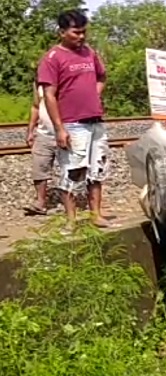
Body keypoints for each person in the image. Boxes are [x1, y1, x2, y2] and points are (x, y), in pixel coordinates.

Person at [37, 9, 111, 230]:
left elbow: (102, 76)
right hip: (71, 123)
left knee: (97, 170)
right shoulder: (52, 58)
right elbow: (49, 95)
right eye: (76, 32)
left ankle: (95, 214)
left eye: (84, 32)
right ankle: (71, 220)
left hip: (95, 121)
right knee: (72, 172)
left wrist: (93, 94)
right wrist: (59, 129)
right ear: (62, 32)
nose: (81, 37)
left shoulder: (89, 52)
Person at [23, 83, 57, 216]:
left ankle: (72, 204)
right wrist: (31, 130)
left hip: (68, 132)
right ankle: (40, 203)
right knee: (39, 167)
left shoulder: (65, 79)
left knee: (71, 170)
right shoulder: (39, 84)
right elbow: (36, 106)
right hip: (44, 133)